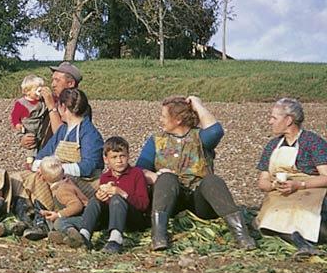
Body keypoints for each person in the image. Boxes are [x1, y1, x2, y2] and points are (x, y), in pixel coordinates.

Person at [136, 96, 256, 251]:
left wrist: (198, 105)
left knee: (212, 180)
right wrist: (155, 176)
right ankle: (158, 236)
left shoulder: (201, 138)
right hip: (171, 202)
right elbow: (139, 169)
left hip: (198, 202)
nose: (160, 120)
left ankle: (242, 236)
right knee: (166, 178)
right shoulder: (156, 141)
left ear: (178, 120)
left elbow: (216, 130)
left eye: (164, 116)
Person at [255, 98, 327, 258]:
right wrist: (275, 185)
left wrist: (299, 184)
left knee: (305, 216)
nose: (269, 122)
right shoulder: (272, 146)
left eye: (274, 117)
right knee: (268, 221)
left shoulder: (312, 142)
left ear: (288, 120)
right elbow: (262, 182)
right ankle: (301, 242)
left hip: (310, 192)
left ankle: (303, 240)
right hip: (280, 194)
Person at [62, 137, 150, 253]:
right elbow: (104, 203)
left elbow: (143, 204)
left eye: (122, 156)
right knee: (94, 200)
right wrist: (100, 196)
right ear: (106, 159)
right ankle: (85, 235)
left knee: (117, 199)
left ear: (128, 156)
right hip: (111, 217)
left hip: (132, 218)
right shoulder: (105, 177)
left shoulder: (136, 174)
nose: (119, 160)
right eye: (114, 157)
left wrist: (122, 194)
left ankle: (115, 239)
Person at [32, 88, 104, 198]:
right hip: (58, 176)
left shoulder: (90, 133)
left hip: (83, 182)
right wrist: (41, 168)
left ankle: (37, 212)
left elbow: (88, 167)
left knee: (37, 182)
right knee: (24, 177)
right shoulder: (63, 130)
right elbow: (41, 155)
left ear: (63, 107)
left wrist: (54, 170)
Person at [18, 61, 84, 153]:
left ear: (70, 84)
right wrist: (23, 139)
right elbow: (31, 122)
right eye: (52, 80)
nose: (53, 84)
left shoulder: (79, 106)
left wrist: (51, 106)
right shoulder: (48, 102)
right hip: (41, 157)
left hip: (60, 161)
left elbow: (62, 135)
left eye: (57, 80)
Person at [27, 157, 88, 241]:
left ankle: (72, 235)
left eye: (39, 169)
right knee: (55, 221)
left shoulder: (62, 190)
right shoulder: (64, 182)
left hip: (85, 217)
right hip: (77, 215)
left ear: (42, 178)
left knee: (60, 222)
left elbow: (77, 206)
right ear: (63, 171)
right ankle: (60, 236)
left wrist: (59, 214)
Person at [11, 75, 50, 158]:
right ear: (27, 91)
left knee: (41, 142)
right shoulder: (21, 104)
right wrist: (17, 124)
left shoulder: (41, 101)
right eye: (37, 89)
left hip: (40, 126)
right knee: (31, 143)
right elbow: (15, 116)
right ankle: (30, 160)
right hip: (29, 128)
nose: (40, 92)